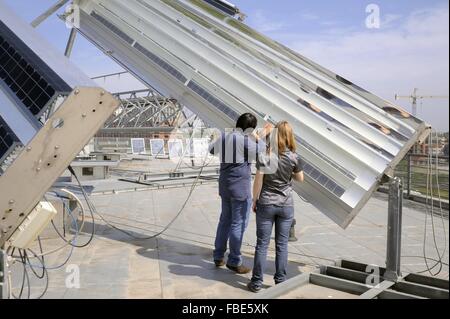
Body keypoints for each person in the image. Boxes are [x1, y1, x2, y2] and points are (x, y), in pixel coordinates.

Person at [209, 113, 273, 274]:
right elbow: (262, 150)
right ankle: (234, 260)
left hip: (225, 186)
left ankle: (218, 256)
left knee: (224, 221)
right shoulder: (245, 141)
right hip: (239, 189)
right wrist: (260, 136)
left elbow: (211, 150)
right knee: (238, 223)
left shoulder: (226, 136)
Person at [247, 121, 304, 292]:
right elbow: (300, 178)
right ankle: (280, 281)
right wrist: (288, 174)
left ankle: (256, 283)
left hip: (266, 203)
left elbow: (258, 180)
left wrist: (255, 199)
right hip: (286, 205)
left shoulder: (266, 155)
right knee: (282, 245)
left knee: (262, 244)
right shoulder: (294, 157)